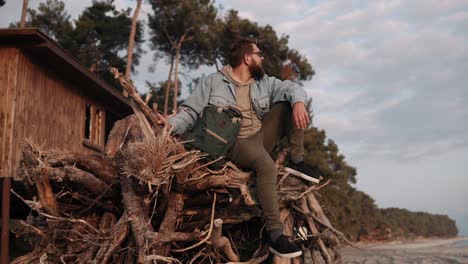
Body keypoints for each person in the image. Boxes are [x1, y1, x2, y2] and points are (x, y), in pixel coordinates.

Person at [157, 37, 319, 258]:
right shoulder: (212, 82)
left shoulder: (263, 82)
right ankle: (275, 235)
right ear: (247, 58)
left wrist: (298, 103)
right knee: (267, 167)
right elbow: (190, 112)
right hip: (235, 143)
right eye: (258, 54)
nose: (261, 58)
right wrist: (170, 124)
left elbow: (292, 88)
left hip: (260, 135)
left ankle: (297, 161)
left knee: (290, 102)